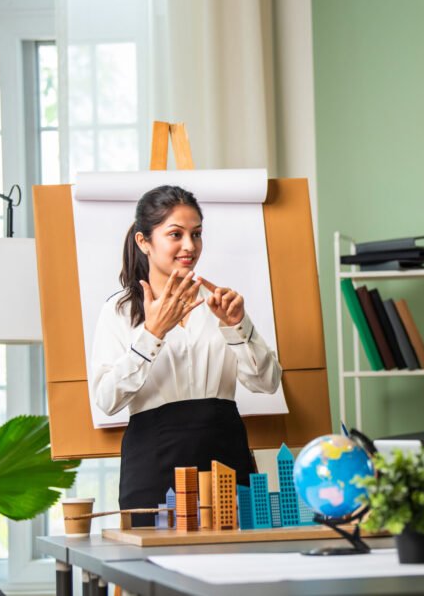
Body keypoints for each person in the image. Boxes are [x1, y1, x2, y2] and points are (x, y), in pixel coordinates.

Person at [91, 185, 282, 524]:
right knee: (156, 573)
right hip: (152, 465)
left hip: (226, 459)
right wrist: (152, 334)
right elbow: (106, 400)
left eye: (196, 234)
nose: (190, 246)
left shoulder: (219, 304)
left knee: (236, 567)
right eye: (175, 234)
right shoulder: (118, 311)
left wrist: (238, 327)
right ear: (143, 241)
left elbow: (267, 383)